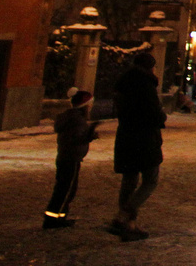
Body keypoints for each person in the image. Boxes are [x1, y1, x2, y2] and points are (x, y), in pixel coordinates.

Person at [110, 52, 166, 241]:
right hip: (145, 138)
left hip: (126, 136)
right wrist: (161, 115)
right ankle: (125, 216)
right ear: (150, 67)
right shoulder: (146, 85)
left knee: (129, 179)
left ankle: (127, 223)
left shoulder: (123, 83)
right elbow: (153, 114)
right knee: (150, 179)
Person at [42, 90, 98, 228]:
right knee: (66, 190)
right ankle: (52, 219)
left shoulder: (69, 117)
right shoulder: (77, 120)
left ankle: (59, 216)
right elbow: (76, 139)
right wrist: (90, 134)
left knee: (63, 188)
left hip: (65, 156)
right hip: (71, 158)